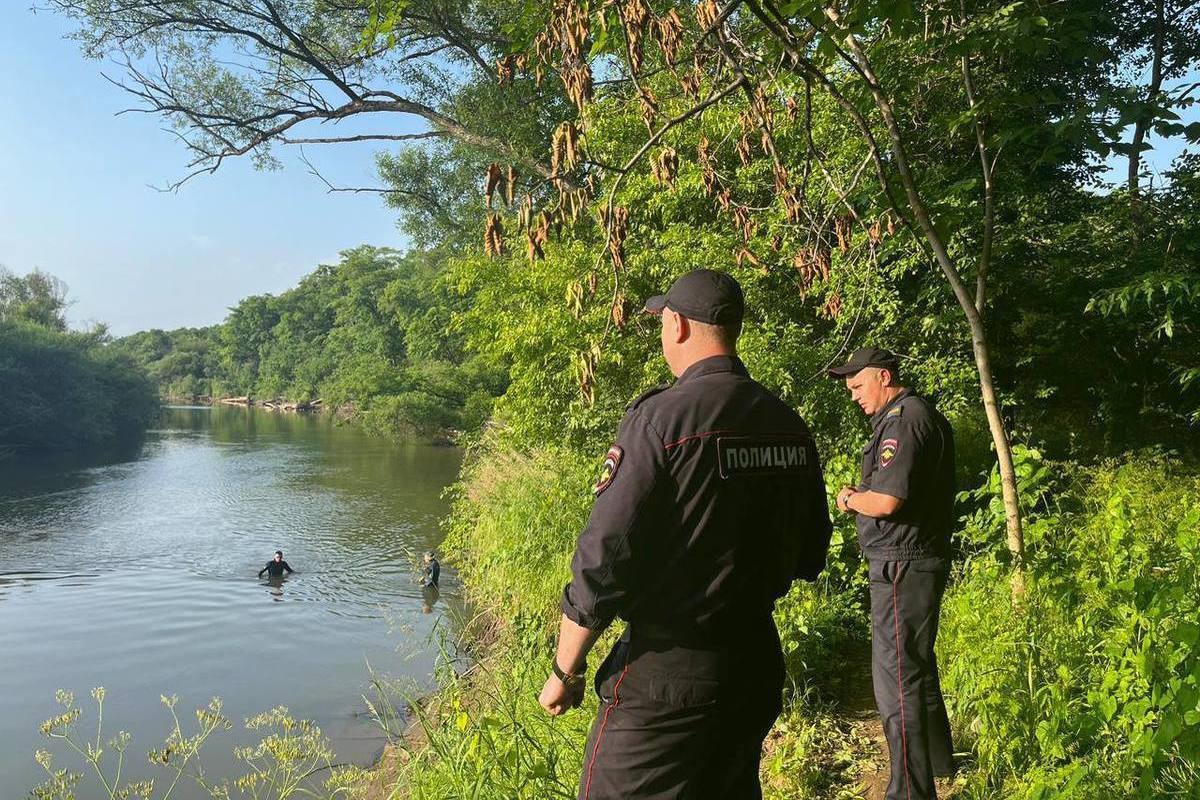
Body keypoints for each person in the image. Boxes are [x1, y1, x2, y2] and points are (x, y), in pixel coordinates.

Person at [537, 269, 833, 800]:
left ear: (675, 325)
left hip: (665, 677)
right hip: (753, 666)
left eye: (660, 323)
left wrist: (566, 667)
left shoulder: (661, 421)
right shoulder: (787, 423)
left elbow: (604, 559)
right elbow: (812, 551)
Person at [828, 347, 956, 800]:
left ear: (884, 377)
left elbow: (885, 501)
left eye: (858, 386)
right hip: (914, 560)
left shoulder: (904, 421)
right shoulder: (918, 415)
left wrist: (849, 499)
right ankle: (939, 761)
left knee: (896, 678)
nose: (854, 396)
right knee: (916, 664)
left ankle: (909, 791)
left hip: (902, 564)